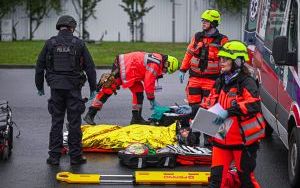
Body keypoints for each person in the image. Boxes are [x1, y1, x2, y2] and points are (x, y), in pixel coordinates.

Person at [200, 40, 265, 188]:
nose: (221, 62)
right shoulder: (221, 80)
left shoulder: (246, 82)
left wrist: (228, 111)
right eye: (220, 59)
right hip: (221, 139)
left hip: (243, 143)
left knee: (246, 181)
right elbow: (209, 102)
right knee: (216, 182)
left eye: (225, 59)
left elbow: (254, 104)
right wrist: (193, 114)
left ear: (237, 61)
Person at [35, 15, 97, 165]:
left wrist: (40, 86)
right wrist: (93, 89)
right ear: (72, 27)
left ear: (60, 27)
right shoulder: (79, 43)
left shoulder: (51, 43)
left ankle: (54, 157)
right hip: (73, 89)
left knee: (56, 121)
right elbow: (90, 67)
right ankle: (75, 157)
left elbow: (40, 65)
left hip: (56, 88)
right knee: (74, 123)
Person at [83, 52, 180, 125]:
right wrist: (152, 100)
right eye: (166, 70)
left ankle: (136, 118)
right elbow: (148, 83)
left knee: (138, 92)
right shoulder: (155, 64)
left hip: (131, 70)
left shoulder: (158, 60)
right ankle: (90, 114)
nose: (164, 72)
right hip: (123, 65)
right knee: (108, 89)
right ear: (167, 63)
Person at [178, 9, 228, 118]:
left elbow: (227, 60)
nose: (203, 23)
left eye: (206, 21)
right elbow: (189, 54)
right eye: (203, 21)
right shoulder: (197, 36)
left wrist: (226, 75)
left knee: (207, 110)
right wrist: (182, 70)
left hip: (211, 80)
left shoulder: (222, 40)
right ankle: (193, 135)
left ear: (213, 23)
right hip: (194, 78)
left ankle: (206, 134)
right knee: (192, 108)